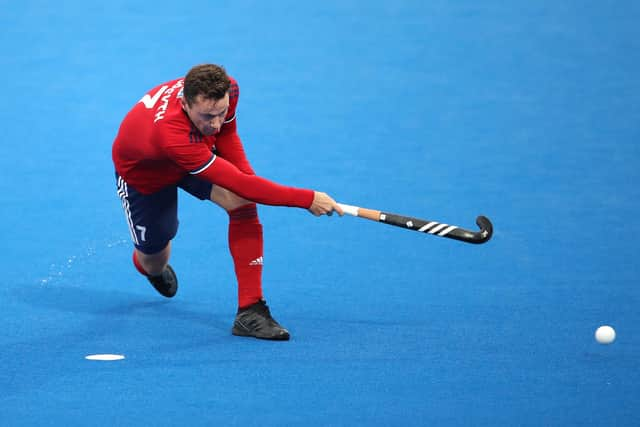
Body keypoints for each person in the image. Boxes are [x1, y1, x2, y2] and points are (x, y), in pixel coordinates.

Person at [112, 64, 342, 341]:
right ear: (185, 103)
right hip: (145, 175)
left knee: (242, 203)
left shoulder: (228, 89)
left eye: (221, 112)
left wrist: (250, 181)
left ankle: (251, 310)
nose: (216, 123)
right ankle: (149, 266)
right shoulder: (172, 134)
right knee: (154, 258)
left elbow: (229, 139)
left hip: (193, 153)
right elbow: (241, 183)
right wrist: (308, 199)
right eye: (207, 116)